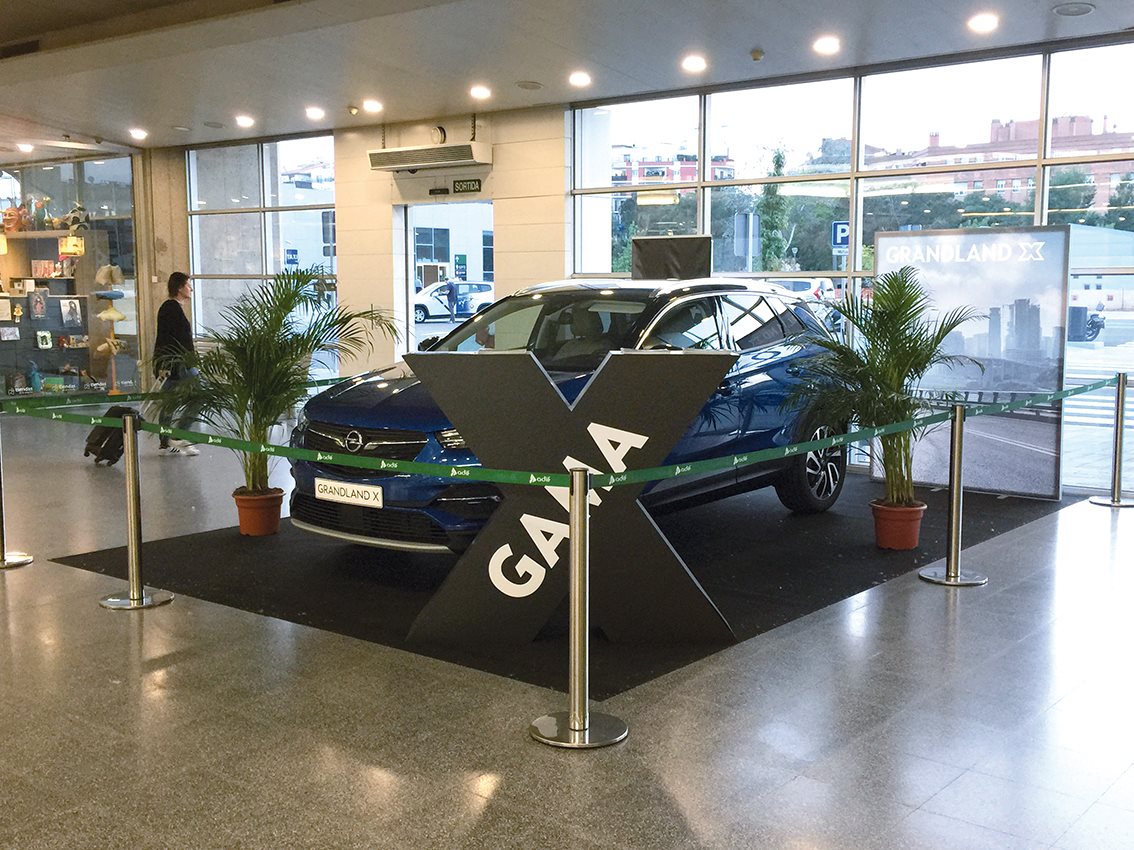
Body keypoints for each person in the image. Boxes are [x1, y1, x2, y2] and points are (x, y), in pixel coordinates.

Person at [152, 272, 200, 457]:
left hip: (175, 364)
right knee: (199, 397)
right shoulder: (171, 309)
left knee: (169, 402)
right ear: (180, 288)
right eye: (188, 285)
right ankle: (178, 436)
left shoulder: (172, 308)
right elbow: (171, 340)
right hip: (179, 364)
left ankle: (166, 442)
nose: (191, 289)